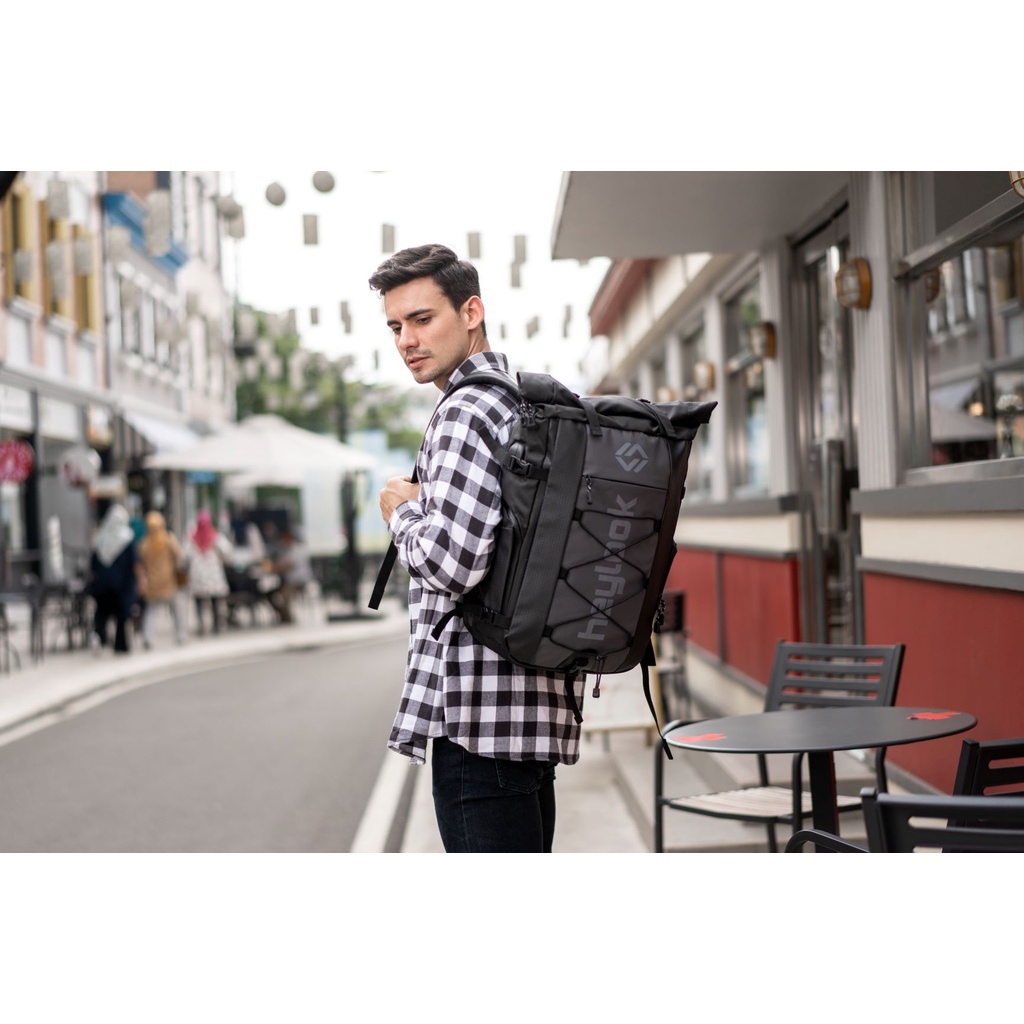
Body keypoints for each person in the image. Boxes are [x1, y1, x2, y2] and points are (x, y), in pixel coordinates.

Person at [368, 243, 583, 853]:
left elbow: (452, 563)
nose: (407, 340)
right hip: (532, 709)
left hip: (477, 721)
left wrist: (401, 511)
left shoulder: (464, 411)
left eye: (421, 318)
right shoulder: (523, 400)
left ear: (471, 312)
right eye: (395, 326)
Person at [87, 503, 141, 655]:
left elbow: (93, 563)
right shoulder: (128, 537)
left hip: (103, 584)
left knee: (102, 614)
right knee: (121, 615)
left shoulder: (100, 537)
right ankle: (120, 645)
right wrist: (139, 579)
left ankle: (99, 638)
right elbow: (134, 561)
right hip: (122, 585)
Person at [136, 510, 187, 648]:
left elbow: (140, 564)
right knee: (177, 609)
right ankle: (180, 635)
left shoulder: (145, 544)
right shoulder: (169, 540)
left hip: (153, 582)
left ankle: (148, 637)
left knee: (151, 611)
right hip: (169, 580)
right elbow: (179, 557)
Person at [184, 508, 233, 635]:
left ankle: (202, 624)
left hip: (198, 573)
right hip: (212, 572)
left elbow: (185, 554)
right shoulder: (215, 536)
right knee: (215, 600)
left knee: (199, 601)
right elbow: (227, 550)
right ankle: (216, 625)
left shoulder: (192, 537)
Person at [265, 527, 311, 625]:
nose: (282, 541)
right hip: (287, 582)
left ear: (289, 537)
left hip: (298, 582)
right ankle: (283, 615)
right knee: (268, 594)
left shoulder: (297, 549)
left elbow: (286, 566)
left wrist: (272, 567)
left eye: (283, 538)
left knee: (285, 594)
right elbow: (280, 564)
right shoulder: (285, 550)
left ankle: (288, 619)